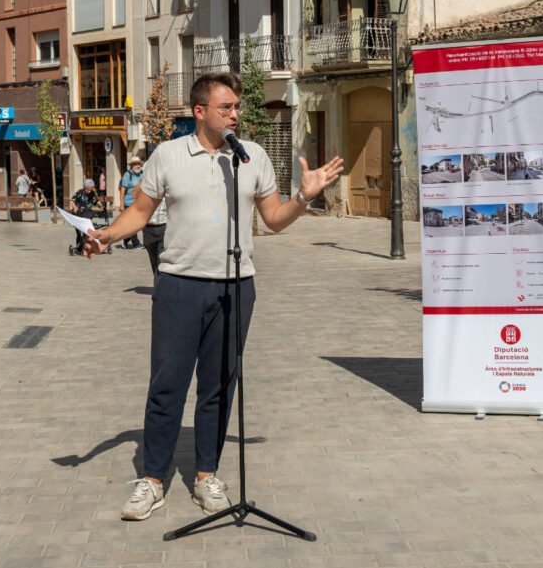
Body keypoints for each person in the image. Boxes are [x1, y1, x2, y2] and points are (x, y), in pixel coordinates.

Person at [82, 73, 343, 521]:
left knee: (220, 386)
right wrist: (106, 236)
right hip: (179, 285)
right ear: (200, 112)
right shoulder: (168, 155)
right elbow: (140, 212)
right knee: (167, 386)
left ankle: (206, 476)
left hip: (236, 286)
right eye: (226, 108)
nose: (235, 114)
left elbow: (275, 219)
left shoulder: (251, 157)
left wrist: (304, 196)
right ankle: (154, 480)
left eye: (237, 107)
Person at [69, 179, 102, 255]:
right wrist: (75, 207)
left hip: (87, 215)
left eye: (90, 189)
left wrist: (100, 204)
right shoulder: (79, 193)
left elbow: (96, 200)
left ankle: (83, 248)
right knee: (79, 233)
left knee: (85, 232)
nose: (89, 191)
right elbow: (71, 201)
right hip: (78, 215)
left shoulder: (92, 193)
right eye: (88, 190)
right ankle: (79, 247)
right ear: (84, 187)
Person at [119, 158, 145, 249]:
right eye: (136, 164)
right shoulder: (128, 175)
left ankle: (125, 240)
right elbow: (122, 190)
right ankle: (136, 243)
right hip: (128, 203)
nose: (138, 166)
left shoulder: (142, 174)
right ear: (131, 165)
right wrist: (121, 204)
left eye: (139, 164)